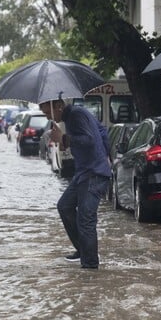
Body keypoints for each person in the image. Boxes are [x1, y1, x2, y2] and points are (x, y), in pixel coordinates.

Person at [39, 99, 111, 269]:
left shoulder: (77, 115)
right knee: (64, 206)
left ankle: (90, 267)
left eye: (48, 113)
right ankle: (83, 250)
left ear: (58, 106)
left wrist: (64, 138)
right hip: (84, 172)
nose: (48, 117)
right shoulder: (74, 116)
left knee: (86, 218)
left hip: (93, 174)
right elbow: (102, 132)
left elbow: (89, 139)